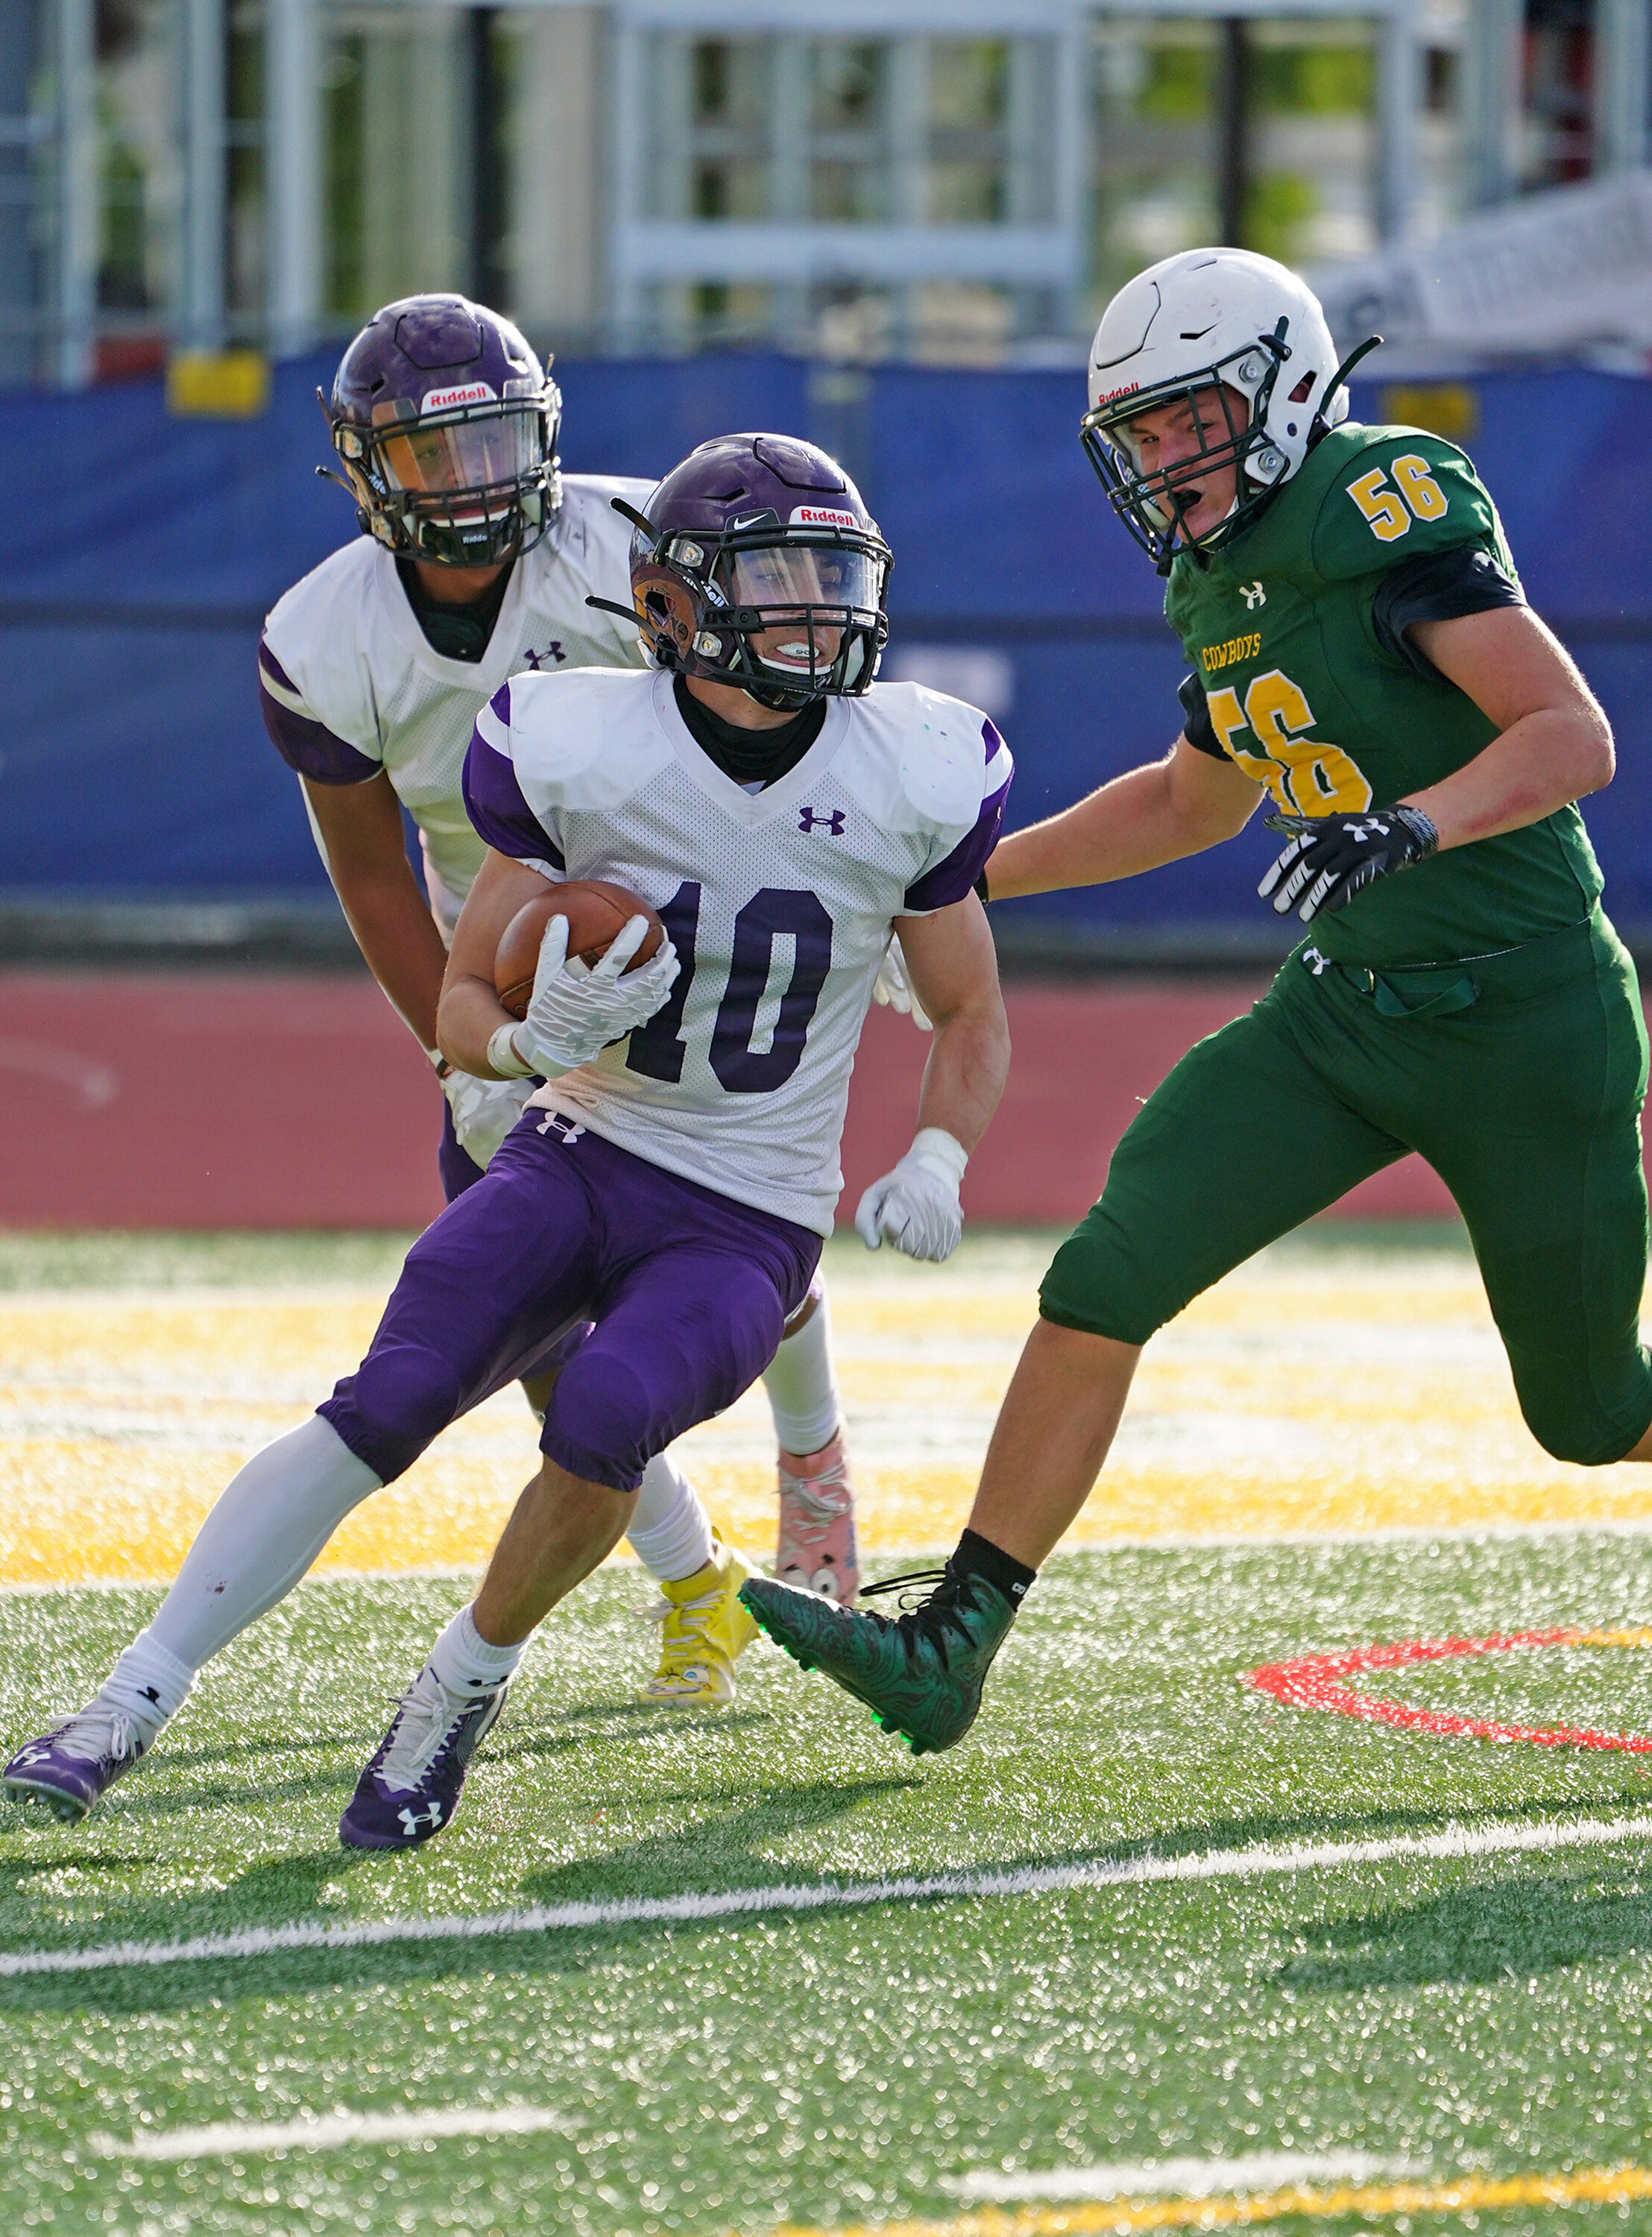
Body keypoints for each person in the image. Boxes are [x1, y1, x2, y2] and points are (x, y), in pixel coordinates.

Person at [3, 432, 1012, 1846]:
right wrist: (527, 1044)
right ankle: (128, 1701)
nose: (814, 610)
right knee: (389, 1398)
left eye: (831, 577)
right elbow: (469, 994)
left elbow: (970, 1012)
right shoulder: (579, 741)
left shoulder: (909, 763)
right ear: (673, 604)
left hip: (751, 1211)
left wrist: (940, 1154)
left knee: (604, 1419)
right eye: (775, 580)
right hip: (583, 1148)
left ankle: (451, 1700)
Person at [743, 245, 1643, 1757]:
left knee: (1587, 1413)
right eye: (1140, 436)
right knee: (1108, 1269)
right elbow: (1185, 803)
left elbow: (1571, 735)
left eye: (1186, 422)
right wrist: (953, 879)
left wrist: (1411, 821)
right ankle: (951, 1641)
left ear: (1282, 388)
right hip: (1347, 1014)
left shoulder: (1378, 500)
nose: (1162, 461)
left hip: (1525, 1015)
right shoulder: (1209, 570)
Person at [258, 295, 868, 1707]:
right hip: (515, 941)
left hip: (701, 902)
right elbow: (374, 878)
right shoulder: (326, 634)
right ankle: (698, 1582)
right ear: (363, 473)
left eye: (492, 448)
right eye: (430, 458)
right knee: (537, 1322)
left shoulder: (639, 541)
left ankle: (814, 1456)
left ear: (544, 440)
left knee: (736, 1216)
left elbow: (798, 695)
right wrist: (467, 1043)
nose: (470, 489)